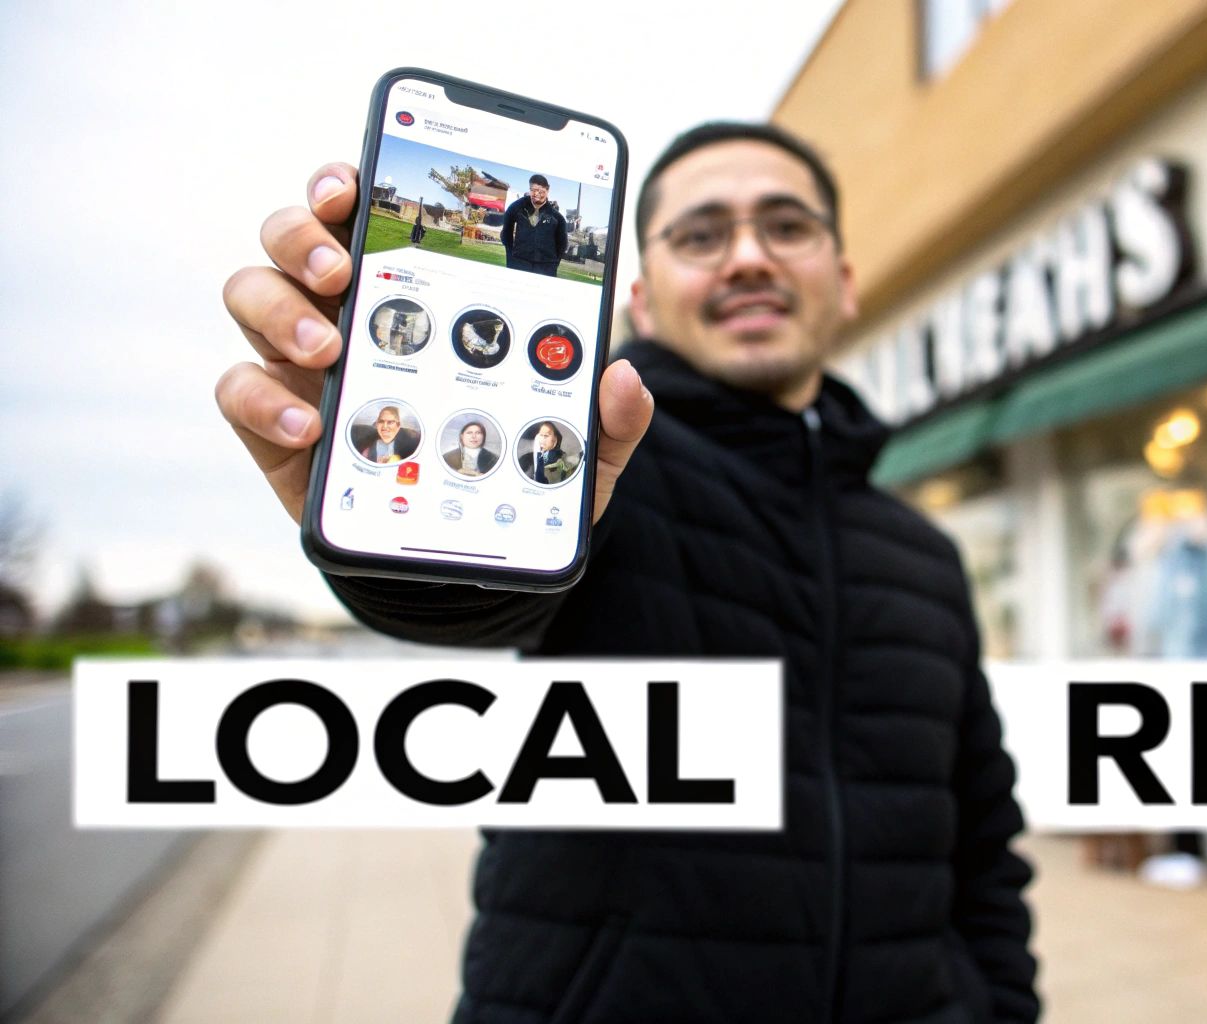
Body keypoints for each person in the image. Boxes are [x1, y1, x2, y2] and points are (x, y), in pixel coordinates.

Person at [217, 122, 1038, 1023]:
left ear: (843, 283)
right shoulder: (598, 463)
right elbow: (456, 597)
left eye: (786, 226)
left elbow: (984, 842)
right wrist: (387, 501)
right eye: (701, 235)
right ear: (639, 302)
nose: (748, 257)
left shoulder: (925, 555)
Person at [499, 173, 567, 276]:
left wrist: (553, 266)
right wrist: (511, 259)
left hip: (545, 269)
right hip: (519, 263)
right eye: (533, 190)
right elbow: (506, 234)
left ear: (547, 189)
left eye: (540, 191)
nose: (536, 194)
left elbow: (562, 245)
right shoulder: (516, 207)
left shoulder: (558, 218)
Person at [519, 420, 580, 484]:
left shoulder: (564, 460)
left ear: (555, 440)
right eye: (540, 435)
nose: (542, 440)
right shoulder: (526, 459)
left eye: (546, 436)